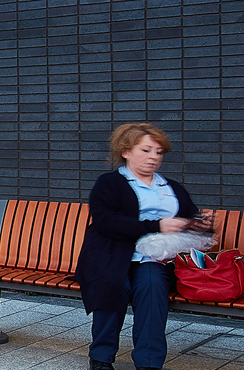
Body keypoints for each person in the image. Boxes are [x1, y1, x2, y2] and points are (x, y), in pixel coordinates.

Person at [71, 123, 207, 370]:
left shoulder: (171, 187)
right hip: (110, 256)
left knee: (153, 288)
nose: (153, 157)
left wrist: (196, 225)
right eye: (145, 150)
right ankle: (101, 359)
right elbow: (106, 222)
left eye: (158, 152)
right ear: (126, 151)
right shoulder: (110, 183)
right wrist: (157, 226)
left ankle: (149, 363)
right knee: (112, 286)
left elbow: (191, 217)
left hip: (153, 260)